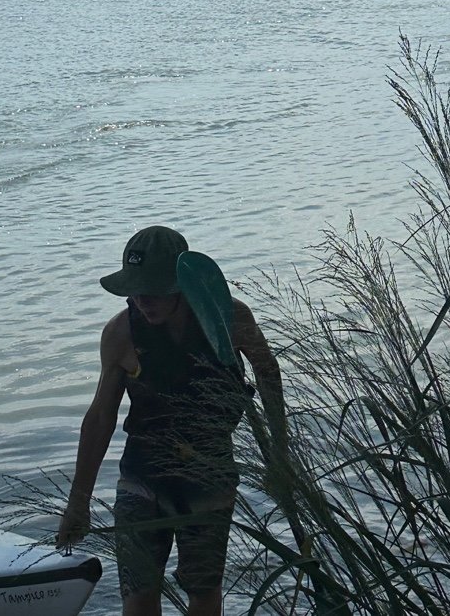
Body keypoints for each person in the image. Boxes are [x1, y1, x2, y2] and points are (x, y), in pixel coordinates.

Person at [56, 225, 288, 616]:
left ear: (183, 283)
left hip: (209, 472)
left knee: (203, 589)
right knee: (139, 591)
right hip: (143, 475)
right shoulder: (120, 334)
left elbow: (268, 373)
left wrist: (279, 456)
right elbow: (100, 417)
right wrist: (77, 503)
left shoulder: (230, 317)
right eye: (136, 288)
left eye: (155, 289)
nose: (143, 300)